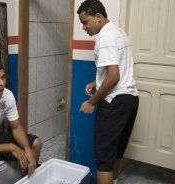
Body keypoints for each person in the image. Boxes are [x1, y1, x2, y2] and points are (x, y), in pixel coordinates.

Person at [77, 1, 139, 184]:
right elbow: (117, 69)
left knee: (104, 159)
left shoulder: (105, 37)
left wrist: (91, 102)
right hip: (130, 100)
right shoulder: (119, 32)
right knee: (116, 152)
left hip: (115, 102)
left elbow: (114, 77)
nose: (84, 27)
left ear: (98, 17)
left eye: (85, 22)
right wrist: (96, 82)